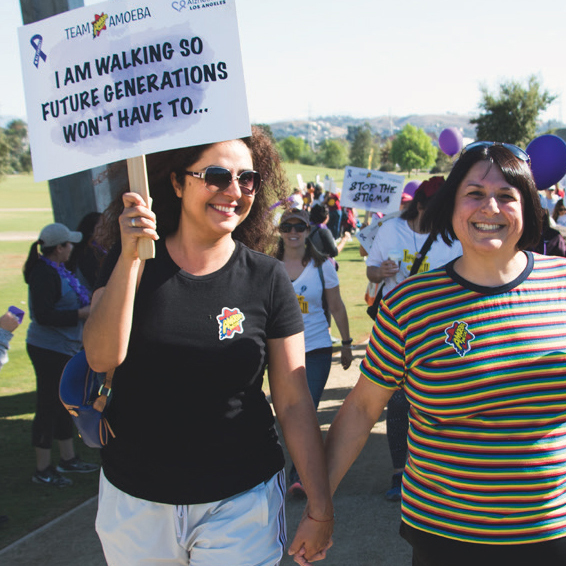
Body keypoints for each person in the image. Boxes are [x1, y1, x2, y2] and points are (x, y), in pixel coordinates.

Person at [83, 128, 334, 566]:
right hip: (136, 502)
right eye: (217, 176)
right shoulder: (130, 261)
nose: (234, 191)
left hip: (241, 501)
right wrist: (128, 258)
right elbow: (102, 357)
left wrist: (320, 507)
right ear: (178, 184)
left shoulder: (268, 277)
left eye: (247, 179)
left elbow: (293, 403)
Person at [325, 141, 566, 565]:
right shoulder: (410, 305)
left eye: (507, 196)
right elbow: (362, 409)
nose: (489, 207)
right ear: (452, 207)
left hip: (551, 534)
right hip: (446, 538)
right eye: (474, 193)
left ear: (528, 208)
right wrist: (318, 503)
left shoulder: (562, 286)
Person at [365, 177, 462, 501]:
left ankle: (438, 475)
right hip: (397, 329)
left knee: (437, 400)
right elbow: (371, 271)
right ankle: (398, 473)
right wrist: (382, 271)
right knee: (396, 401)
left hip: (439, 332)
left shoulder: (452, 236)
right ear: (420, 205)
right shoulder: (391, 230)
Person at [274, 208, 353, 498]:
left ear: (309, 231)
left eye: (299, 227)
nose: (293, 232)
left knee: (306, 408)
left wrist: (346, 343)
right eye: (287, 227)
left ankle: (300, 476)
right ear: (280, 231)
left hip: (317, 347)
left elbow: (337, 306)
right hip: (281, 351)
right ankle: (289, 469)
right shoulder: (270, 266)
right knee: (285, 413)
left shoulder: (323, 267)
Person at [24, 223, 97, 488]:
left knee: (65, 402)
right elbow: (43, 316)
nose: (72, 248)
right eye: (68, 244)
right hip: (48, 349)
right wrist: (80, 314)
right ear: (59, 248)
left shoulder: (59, 268)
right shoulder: (44, 274)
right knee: (47, 406)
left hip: (64, 347)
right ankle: (43, 468)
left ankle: (69, 458)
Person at [66, 211, 105, 292]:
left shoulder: (99, 250)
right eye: (102, 227)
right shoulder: (88, 254)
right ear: (91, 231)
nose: (107, 230)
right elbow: (97, 283)